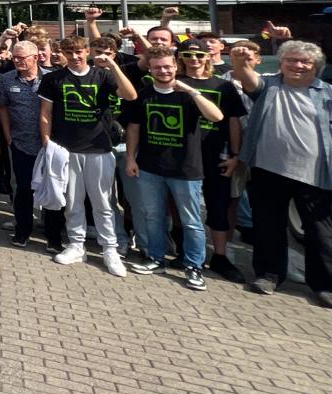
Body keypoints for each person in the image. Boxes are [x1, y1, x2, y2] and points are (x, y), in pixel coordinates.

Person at [231, 36, 332, 308]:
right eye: (291, 60)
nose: (297, 65)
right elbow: (248, 80)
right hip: (267, 171)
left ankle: (324, 286)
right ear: (281, 63)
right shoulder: (269, 86)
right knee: (267, 227)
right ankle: (268, 275)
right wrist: (240, 62)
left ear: (316, 66)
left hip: (317, 176)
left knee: (322, 234)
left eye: (305, 61)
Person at [121, 46, 225, 290]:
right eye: (157, 67)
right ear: (151, 69)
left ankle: (194, 266)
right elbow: (134, 128)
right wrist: (130, 159)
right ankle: (155, 258)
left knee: (191, 221)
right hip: (149, 167)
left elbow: (216, 117)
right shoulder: (144, 94)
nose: (163, 70)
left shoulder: (189, 94)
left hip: (186, 170)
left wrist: (191, 90)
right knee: (153, 216)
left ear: (176, 66)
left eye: (167, 66)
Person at [40, 34, 137, 277]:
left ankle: (109, 249)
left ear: (87, 52)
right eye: (69, 52)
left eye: (79, 52)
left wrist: (112, 65)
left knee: (103, 203)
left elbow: (130, 95)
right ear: (63, 53)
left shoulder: (103, 75)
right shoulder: (54, 79)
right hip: (67, 149)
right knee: (73, 201)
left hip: (99, 149)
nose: (74, 57)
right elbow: (45, 113)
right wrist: (48, 144)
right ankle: (76, 244)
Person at [178, 39, 247, 281]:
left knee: (218, 207)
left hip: (216, 155)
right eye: (187, 54)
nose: (193, 59)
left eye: (199, 55)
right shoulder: (175, 84)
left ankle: (220, 256)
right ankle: (185, 252)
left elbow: (234, 121)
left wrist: (236, 155)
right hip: (183, 156)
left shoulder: (223, 87)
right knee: (186, 208)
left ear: (208, 57)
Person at [0, 40, 62, 248]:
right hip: (21, 144)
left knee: (52, 189)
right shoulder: (7, 80)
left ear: (35, 57)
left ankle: (53, 237)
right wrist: (8, 136)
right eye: (15, 57)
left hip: (50, 145)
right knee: (23, 189)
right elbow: (2, 107)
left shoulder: (51, 78)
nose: (17, 61)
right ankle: (23, 231)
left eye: (22, 58)